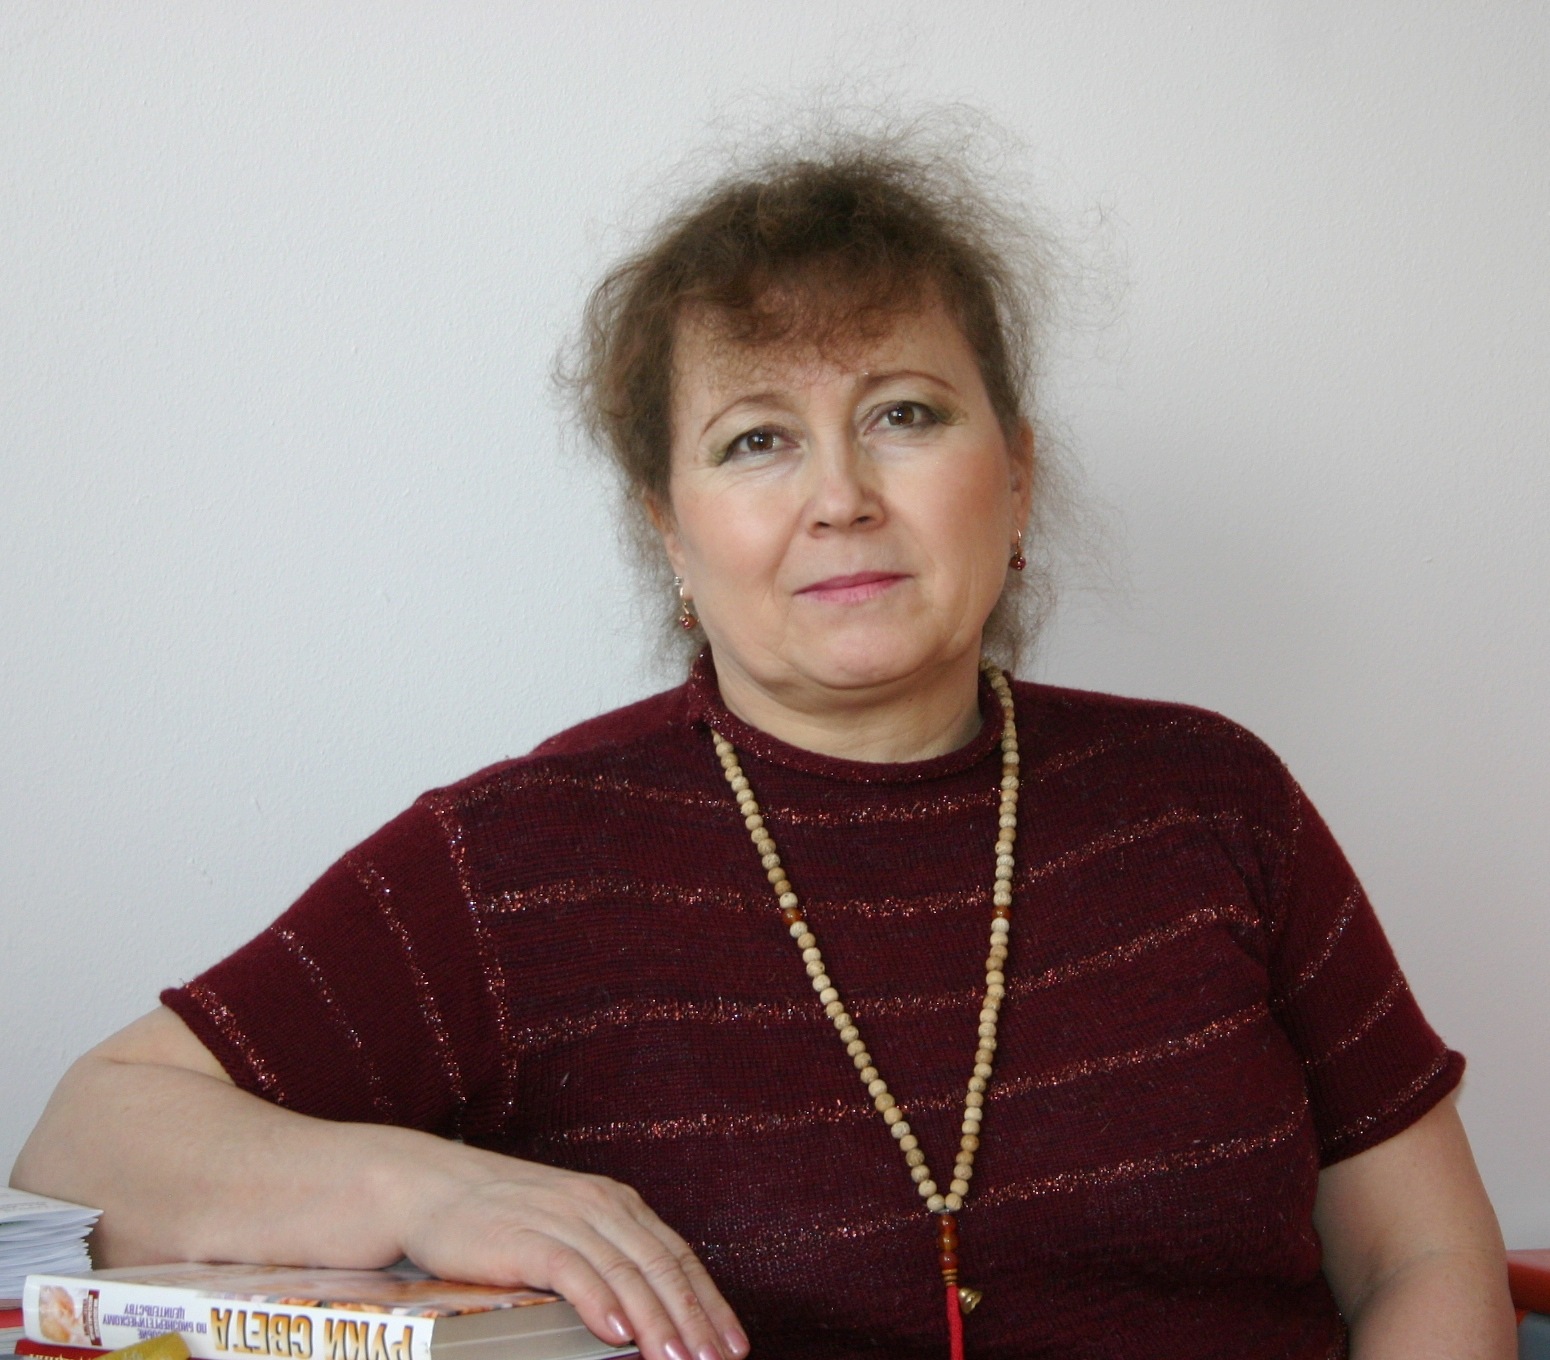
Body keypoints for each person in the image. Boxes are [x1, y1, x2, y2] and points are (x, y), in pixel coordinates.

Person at [12, 133, 1514, 1360]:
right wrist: (430, 1190)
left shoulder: (1212, 800)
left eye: (905, 413)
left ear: (1017, 477)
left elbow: (1426, 1260)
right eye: (755, 440)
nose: (841, 496)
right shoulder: (515, 864)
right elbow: (89, 1144)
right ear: (669, 531)